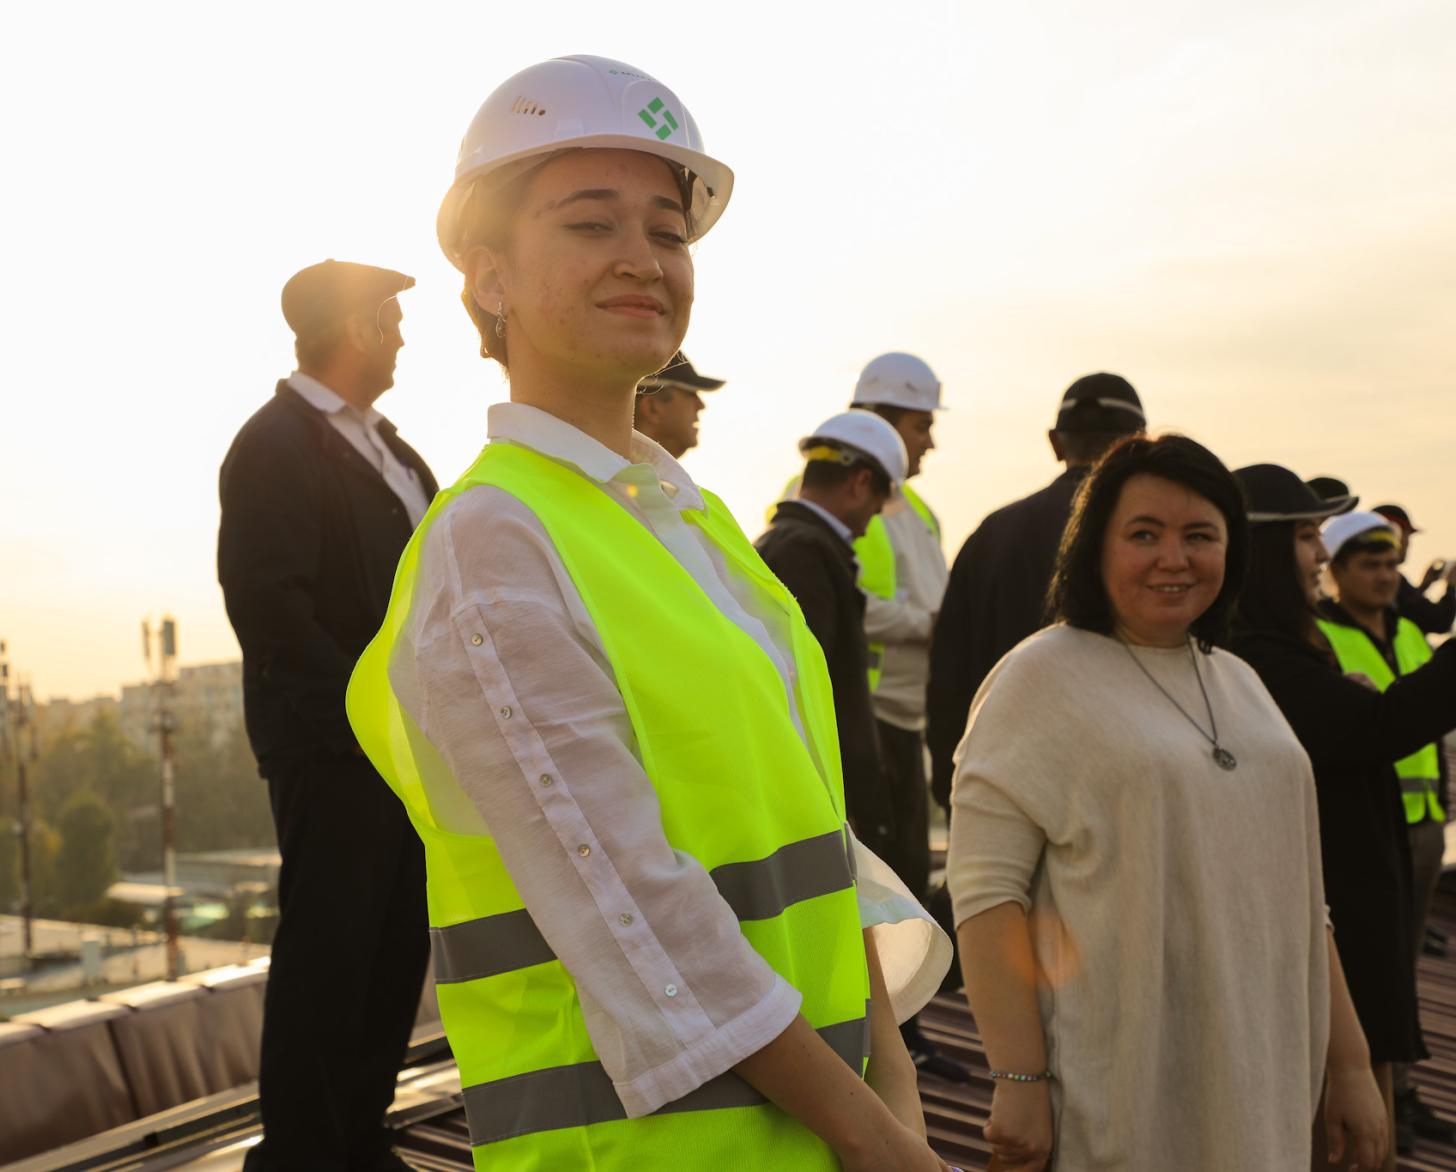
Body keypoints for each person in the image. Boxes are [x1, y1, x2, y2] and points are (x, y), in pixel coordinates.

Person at [344, 56, 952, 1172]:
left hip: (829, 1126)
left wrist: (892, 1073)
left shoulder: (692, 521)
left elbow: (811, 829)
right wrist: (875, 1133)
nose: (641, 258)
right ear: (488, 277)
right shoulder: (495, 542)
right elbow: (635, 908)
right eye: (590, 223)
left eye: (667, 231)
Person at [946, 435, 1386, 1170]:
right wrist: (1017, 1078)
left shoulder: (1241, 682)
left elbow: (1303, 899)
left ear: (1232, 551)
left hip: (1262, 1077)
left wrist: (1350, 1065)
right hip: (1118, 1082)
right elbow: (987, 896)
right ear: (1095, 547)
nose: (1173, 558)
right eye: (1143, 534)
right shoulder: (1039, 678)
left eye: (1199, 536)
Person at [218, 259, 437, 1172]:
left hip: (407, 748)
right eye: (389, 314)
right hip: (337, 745)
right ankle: (302, 1154)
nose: (401, 329)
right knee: (331, 951)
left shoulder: (388, 443)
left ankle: (358, 1133)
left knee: (391, 951)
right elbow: (269, 603)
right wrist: (367, 707)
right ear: (354, 327)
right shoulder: (275, 443)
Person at [1229, 465, 1456, 1169]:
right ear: (1265, 551)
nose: (1320, 554)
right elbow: (1379, 726)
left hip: (1364, 917)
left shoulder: (1280, 650)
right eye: (1305, 536)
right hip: (1338, 938)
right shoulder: (1259, 658)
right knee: (1347, 1143)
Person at [926, 372, 1144, 811]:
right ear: (1141, 444)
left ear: (1055, 442)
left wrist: (952, 786)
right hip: (1117, 788)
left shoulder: (992, 534)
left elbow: (948, 673)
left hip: (1000, 782)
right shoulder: (1151, 541)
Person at [1318, 510, 1456, 1153]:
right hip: (1364, 836)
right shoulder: (1317, 640)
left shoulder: (1407, 631)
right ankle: (1372, 1100)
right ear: (1335, 572)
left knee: (1399, 971)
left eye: (1390, 565)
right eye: (1369, 565)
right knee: (1370, 971)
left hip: (1423, 828)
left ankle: (1399, 1094)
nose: (1384, 576)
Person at [755, 410, 908, 863]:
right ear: (860, 482)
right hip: (826, 808)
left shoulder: (787, 545)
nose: (870, 523)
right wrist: (838, 802)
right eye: (878, 506)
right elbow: (806, 689)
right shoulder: (805, 553)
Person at [1371, 503, 1456, 634]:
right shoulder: (1392, 580)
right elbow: (1439, 621)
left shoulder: (1367, 579)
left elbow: (1409, 609)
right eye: (1407, 534)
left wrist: (1424, 585)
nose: (1408, 542)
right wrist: (1451, 585)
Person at [632, 349, 724, 458]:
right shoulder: (614, 474)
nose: (701, 405)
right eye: (691, 393)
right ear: (652, 408)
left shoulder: (614, 471)